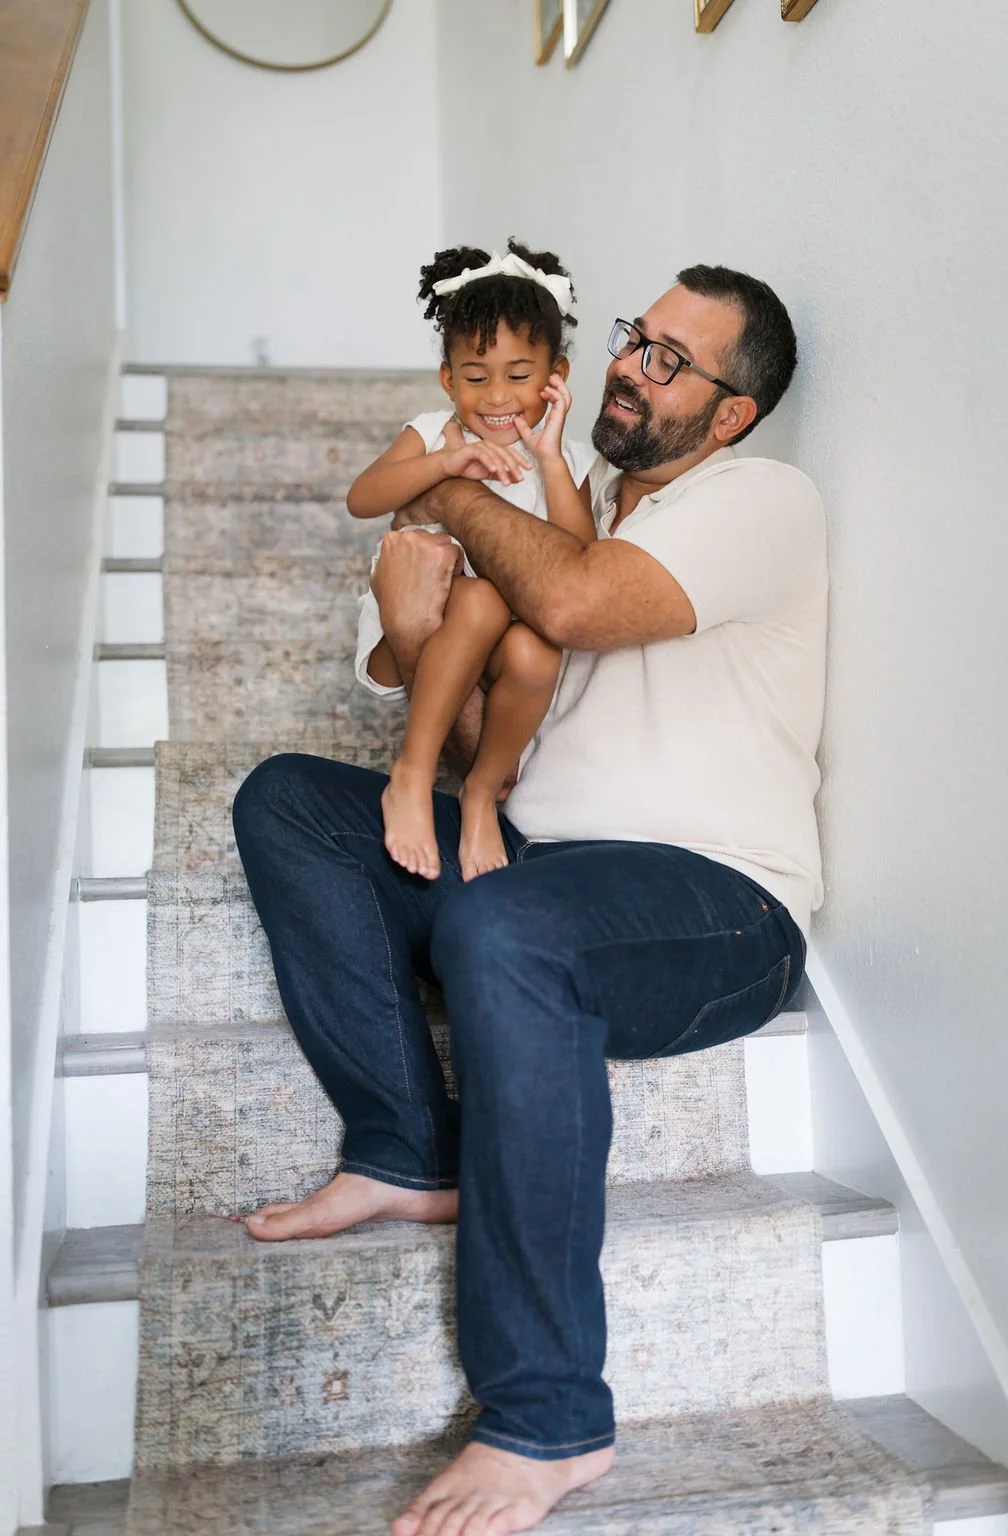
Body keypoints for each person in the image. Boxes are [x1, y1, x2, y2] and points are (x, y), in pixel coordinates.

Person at [232, 264, 828, 1536]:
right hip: (531, 863)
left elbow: (572, 598)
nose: (629, 366)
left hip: (712, 901)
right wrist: (403, 633)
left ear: (729, 415)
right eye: (634, 340)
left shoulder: (757, 499)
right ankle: (406, 1149)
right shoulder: (543, 490)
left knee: (506, 929)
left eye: (671, 361)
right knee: (288, 800)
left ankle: (548, 1414)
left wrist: (446, 478)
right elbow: (443, 691)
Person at [348, 241, 596, 882]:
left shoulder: (568, 462)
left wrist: (549, 460)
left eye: (519, 376)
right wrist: (446, 464)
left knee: (535, 651)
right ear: (448, 379)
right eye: (475, 376)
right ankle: (412, 771)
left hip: (504, 659)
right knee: (482, 597)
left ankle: (481, 793)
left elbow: (581, 559)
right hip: (422, 617)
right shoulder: (434, 431)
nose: (496, 397)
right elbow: (362, 497)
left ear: (556, 376)